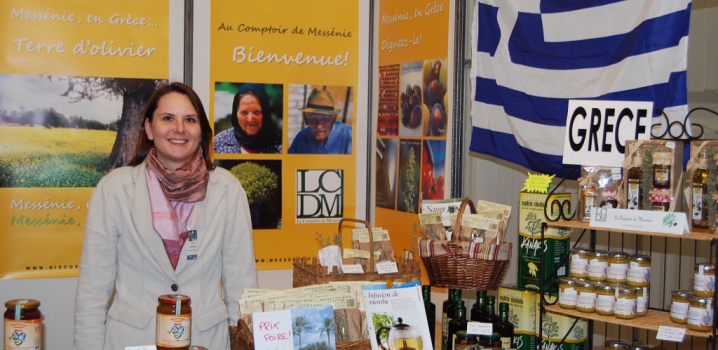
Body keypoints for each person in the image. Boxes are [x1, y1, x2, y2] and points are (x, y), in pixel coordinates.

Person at [72, 82, 258, 350]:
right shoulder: (114, 189)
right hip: (132, 340)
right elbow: (92, 291)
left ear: (202, 131)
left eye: (190, 119)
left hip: (206, 340)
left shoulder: (228, 190)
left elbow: (242, 285)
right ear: (149, 128)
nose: (179, 128)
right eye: (168, 118)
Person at [214, 83, 282, 154]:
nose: (250, 119)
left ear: (265, 113)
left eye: (256, 112)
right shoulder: (219, 143)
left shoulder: (279, 147)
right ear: (235, 114)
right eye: (244, 112)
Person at [288, 88, 352, 154]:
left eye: (325, 119)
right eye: (313, 120)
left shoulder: (349, 135)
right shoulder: (301, 137)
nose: (319, 127)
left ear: (334, 119)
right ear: (306, 119)